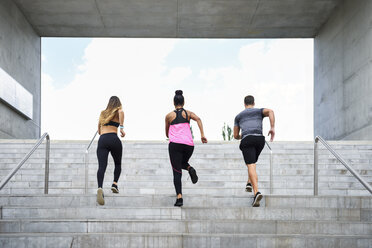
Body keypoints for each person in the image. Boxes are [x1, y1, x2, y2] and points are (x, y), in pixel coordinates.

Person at [165, 90, 208, 207]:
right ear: (184, 102)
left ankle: (179, 197)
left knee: (176, 170)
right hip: (189, 145)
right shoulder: (188, 114)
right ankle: (189, 168)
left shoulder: (169, 116)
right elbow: (198, 119)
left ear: (173, 102)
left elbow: (167, 134)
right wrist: (202, 135)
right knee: (182, 163)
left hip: (175, 145)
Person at [234, 95, 275, 207]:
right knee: (252, 163)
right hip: (259, 140)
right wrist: (272, 127)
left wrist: (242, 135)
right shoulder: (259, 111)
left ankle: (256, 192)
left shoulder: (238, 116)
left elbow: (235, 135)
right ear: (254, 103)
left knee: (251, 165)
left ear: (244, 104)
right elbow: (271, 111)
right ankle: (249, 182)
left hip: (248, 140)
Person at [96, 96, 125, 205]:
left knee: (102, 166)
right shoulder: (119, 111)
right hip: (113, 138)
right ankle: (114, 184)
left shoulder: (102, 113)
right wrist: (122, 130)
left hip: (102, 139)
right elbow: (121, 129)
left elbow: (99, 131)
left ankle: (100, 187)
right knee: (117, 163)